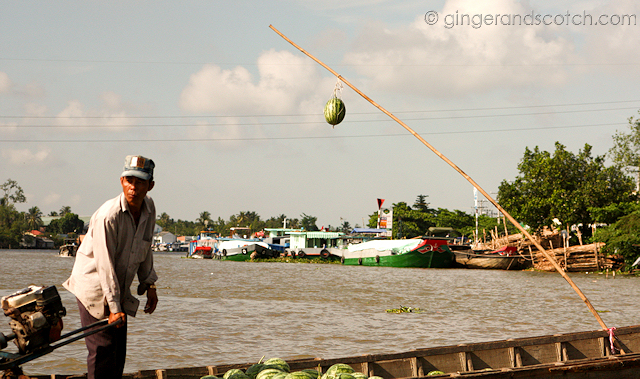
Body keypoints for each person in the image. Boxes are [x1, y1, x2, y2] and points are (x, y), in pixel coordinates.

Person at [63, 155, 159, 379]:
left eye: (140, 182)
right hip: (94, 285)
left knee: (118, 353)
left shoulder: (149, 209)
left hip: (117, 285)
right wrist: (115, 308)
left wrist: (150, 284)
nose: (133, 188)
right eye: (129, 181)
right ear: (122, 181)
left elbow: (145, 247)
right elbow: (104, 264)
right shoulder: (109, 216)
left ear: (150, 186)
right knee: (102, 349)